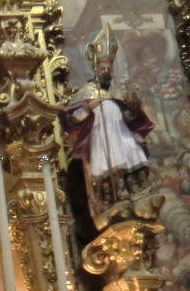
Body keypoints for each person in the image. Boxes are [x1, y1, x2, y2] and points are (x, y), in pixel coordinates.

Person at [61, 25, 153, 224]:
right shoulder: (86, 91)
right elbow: (71, 121)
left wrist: (134, 107)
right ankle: (111, 201)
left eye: (109, 70)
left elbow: (129, 117)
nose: (106, 73)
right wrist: (89, 107)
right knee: (105, 166)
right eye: (103, 69)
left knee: (131, 153)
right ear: (96, 69)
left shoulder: (116, 92)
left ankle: (138, 194)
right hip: (100, 139)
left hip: (120, 136)